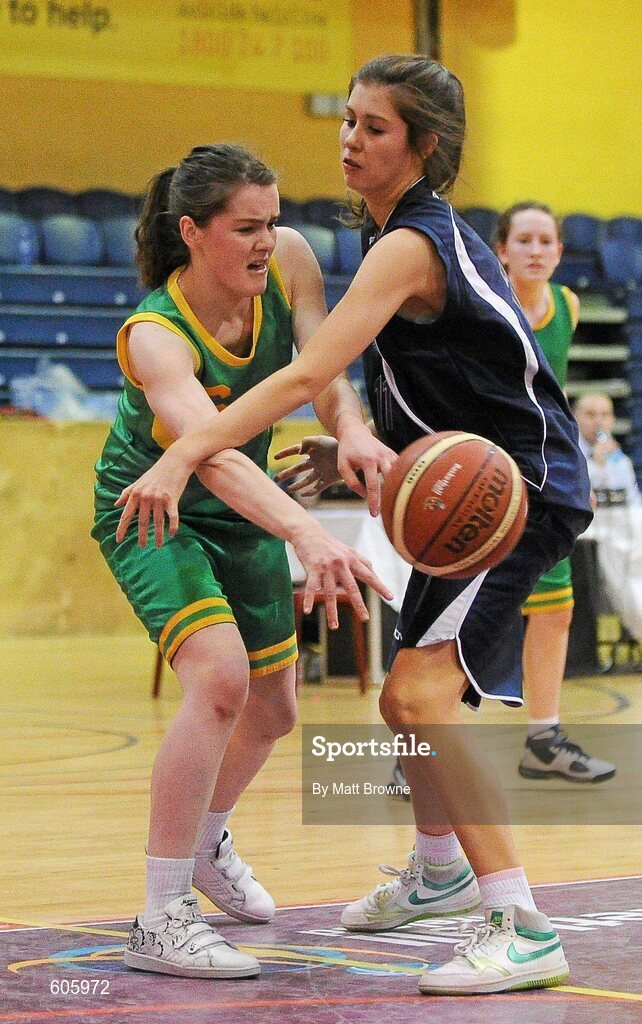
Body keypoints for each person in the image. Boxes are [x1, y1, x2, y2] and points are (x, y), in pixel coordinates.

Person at [113, 56, 593, 996]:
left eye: (376, 127)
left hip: (517, 487)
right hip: (477, 469)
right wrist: (363, 444)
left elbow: (304, 375)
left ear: (425, 145)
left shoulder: (409, 243)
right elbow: (432, 369)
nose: (351, 140)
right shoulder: (386, 235)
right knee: (402, 702)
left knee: (419, 700)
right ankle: (440, 872)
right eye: (350, 121)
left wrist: (177, 454)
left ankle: (520, 923)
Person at [92, 143, 394, 979]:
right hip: (153, 511)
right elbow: (213, 454)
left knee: (274, 711)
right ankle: (159, 917)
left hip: (242, 512)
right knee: (220, 681)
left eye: (273, 220)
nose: (269, 240)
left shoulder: (291, 260)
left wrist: (354, 428)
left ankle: (202, 839)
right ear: (192, 232)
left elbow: (324, 367)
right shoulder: (156, 334)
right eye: (246, 228)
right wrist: (307, 532)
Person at [495, 203, 615, 783]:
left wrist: (577, 475)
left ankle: (543, 740)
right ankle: (415, 751)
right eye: (524, 240)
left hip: (545, 477)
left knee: (554, 609)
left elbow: (559, 402)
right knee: (465, 615)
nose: (536, 250)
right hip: (487, 475)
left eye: (546, 241)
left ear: (560, 253)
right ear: (502, 250)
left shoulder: (566, 304)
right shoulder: (486, 301)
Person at [574, 392, 642, 505]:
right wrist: (597, 464)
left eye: (605, 415)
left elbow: (635, 502)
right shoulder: (568, 454)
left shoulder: (621, 460)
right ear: (575, 418)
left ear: (613, 420)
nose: (598, 422)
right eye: (591, 415)